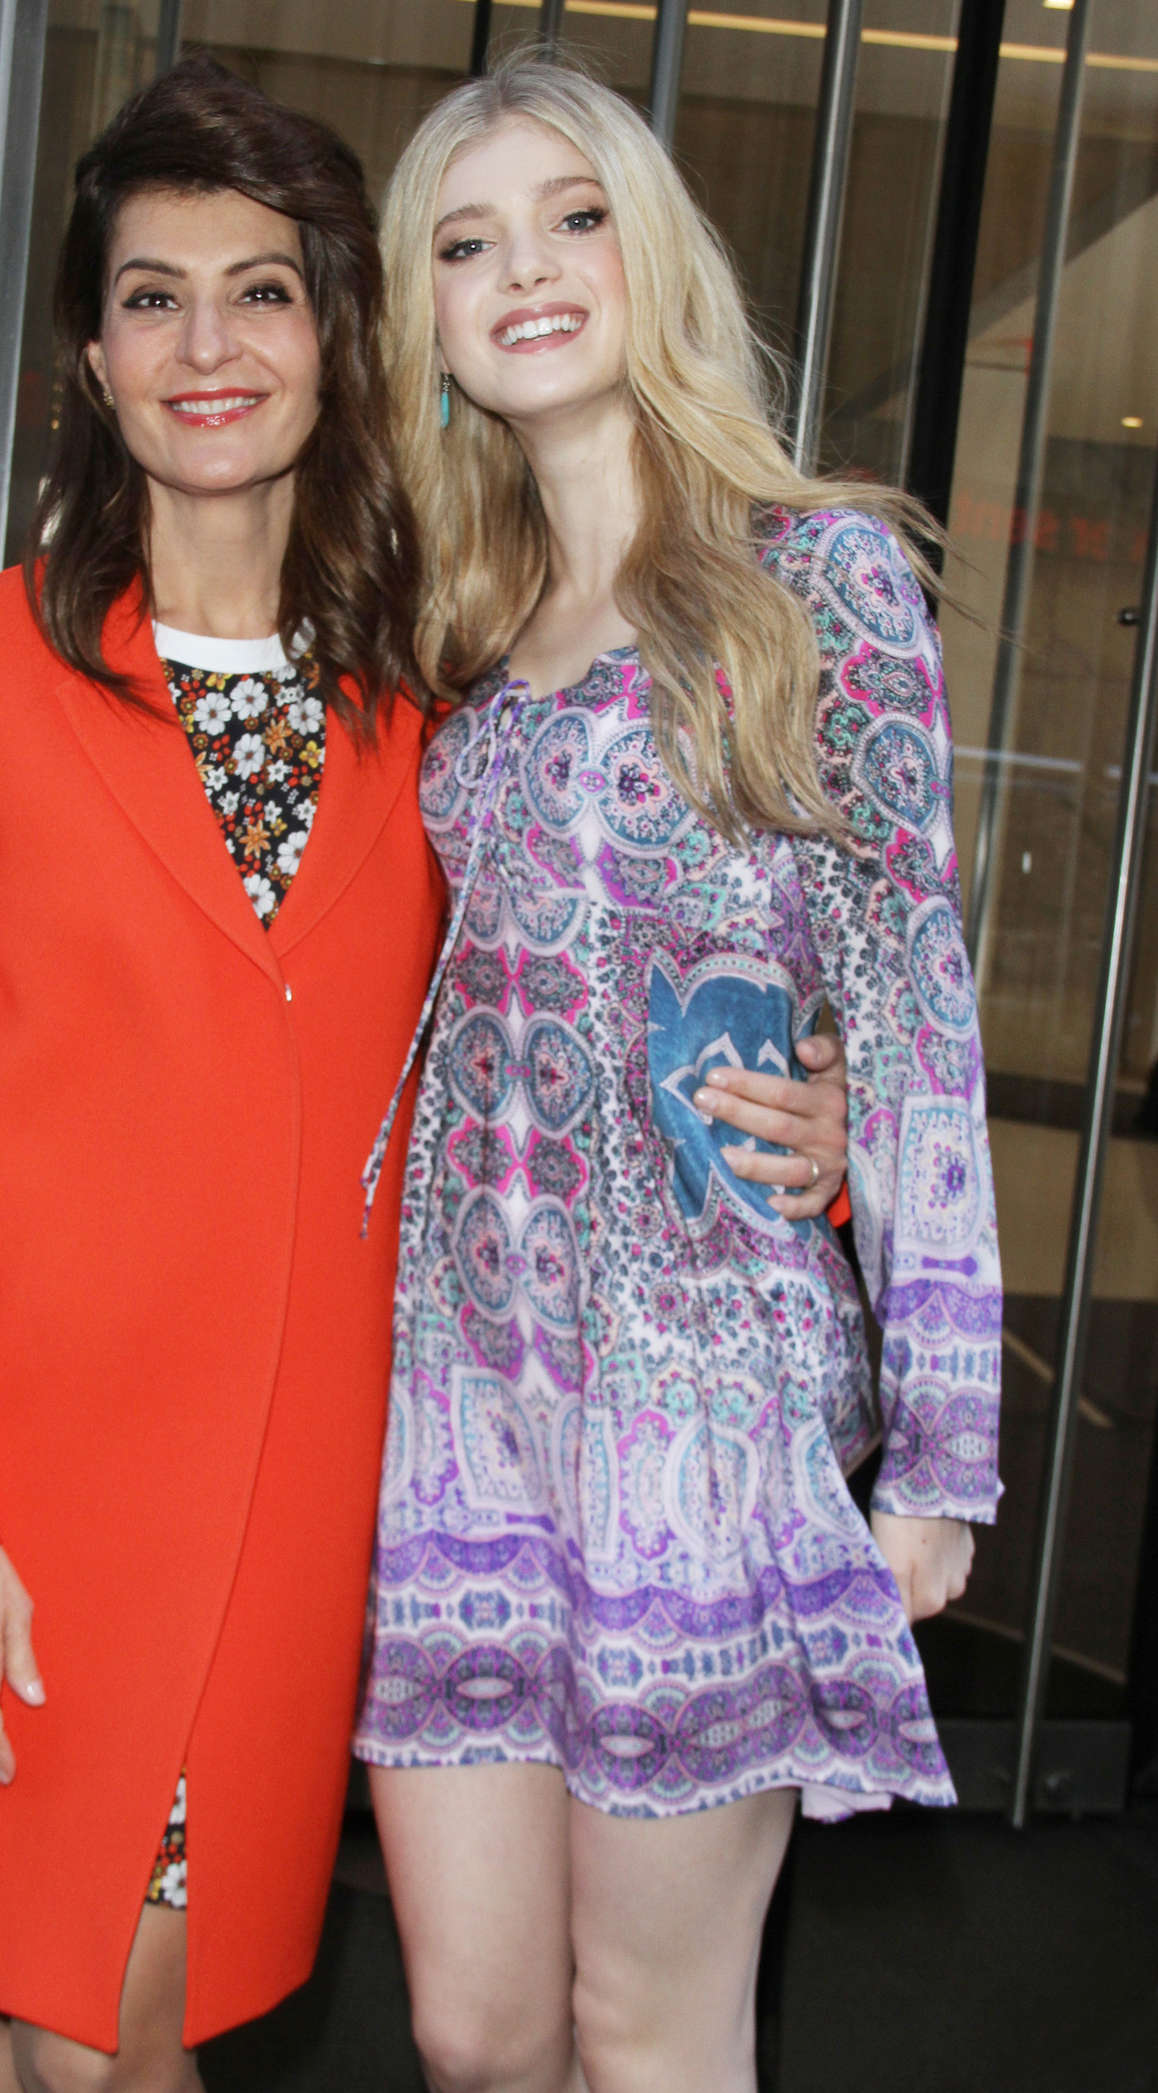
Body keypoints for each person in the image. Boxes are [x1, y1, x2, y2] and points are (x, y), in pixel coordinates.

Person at [0, 54, 851, 2093]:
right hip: (0, 1508)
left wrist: (814, 1109)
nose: (208, 345)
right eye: (151, 296)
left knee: (105, 2040)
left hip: (283, 1522)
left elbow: (608, 984)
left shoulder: (432, 700)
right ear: (91, 360)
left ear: (335, 338)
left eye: (260, 292)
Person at [353, 56, 1002, 2093]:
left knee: (649, 2033)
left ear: (656, 257)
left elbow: (909, 1019)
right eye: (466, 242)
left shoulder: (817, 582)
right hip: (458, 1408)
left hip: (696, 1413)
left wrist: (946, 1454)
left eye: (574, 217)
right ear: (426, 319)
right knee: (471, 2034)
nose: (523, 270)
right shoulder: (450, 618)